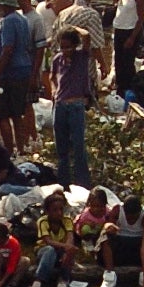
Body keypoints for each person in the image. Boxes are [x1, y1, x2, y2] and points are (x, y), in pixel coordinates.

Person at [46, 27, 94, 189]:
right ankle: (63, 183)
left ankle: (82, 184)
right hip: (60, 105)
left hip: (76, 106)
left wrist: (73, 27)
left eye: (68, 47)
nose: (65, 50)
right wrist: (54, 91)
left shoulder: (81, 57)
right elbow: (52, 77)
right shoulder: (57, 60)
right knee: (62, 148)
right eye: (63, 47)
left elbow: (86, 36)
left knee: (79, 147)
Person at [0, 0, 37, 159]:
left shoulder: (8, 21)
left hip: (11, 72)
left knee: (2, 114)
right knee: (17, 113)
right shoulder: (22, 19)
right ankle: (21, 149)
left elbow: (8, 49)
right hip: (24, 69)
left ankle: (10, 152)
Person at [26, 190, 78, 287]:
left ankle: (64, 277)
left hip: (61, 251)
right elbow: (48, 241)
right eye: (55, 210)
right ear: (47, 211)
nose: (59, 213)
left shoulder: (67, 221)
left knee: (71, 251)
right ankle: (37, 284)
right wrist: (66, 246)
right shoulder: (42, 221)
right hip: (44, 251)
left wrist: (68, 249)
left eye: (61, 209)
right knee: (50, 250)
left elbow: (70, 237)